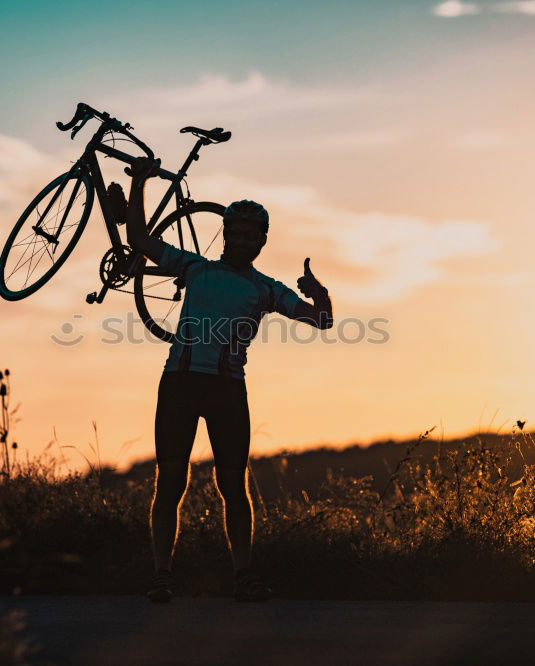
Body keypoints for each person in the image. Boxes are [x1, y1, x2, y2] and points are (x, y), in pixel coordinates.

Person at [124, 156, 333, 603]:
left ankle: (244, 577)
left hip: (225, 391)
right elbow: (140, 239)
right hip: (179, 384)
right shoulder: (197, 268)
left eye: (248, 235)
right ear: (226, 234)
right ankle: (161, 576)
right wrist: (140, 184)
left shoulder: (266, 288)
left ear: (261, 241)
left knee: (233, 485)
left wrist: (322, 294)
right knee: (170, 482)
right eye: (233, 232)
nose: (239, 241)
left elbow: (322, 321)